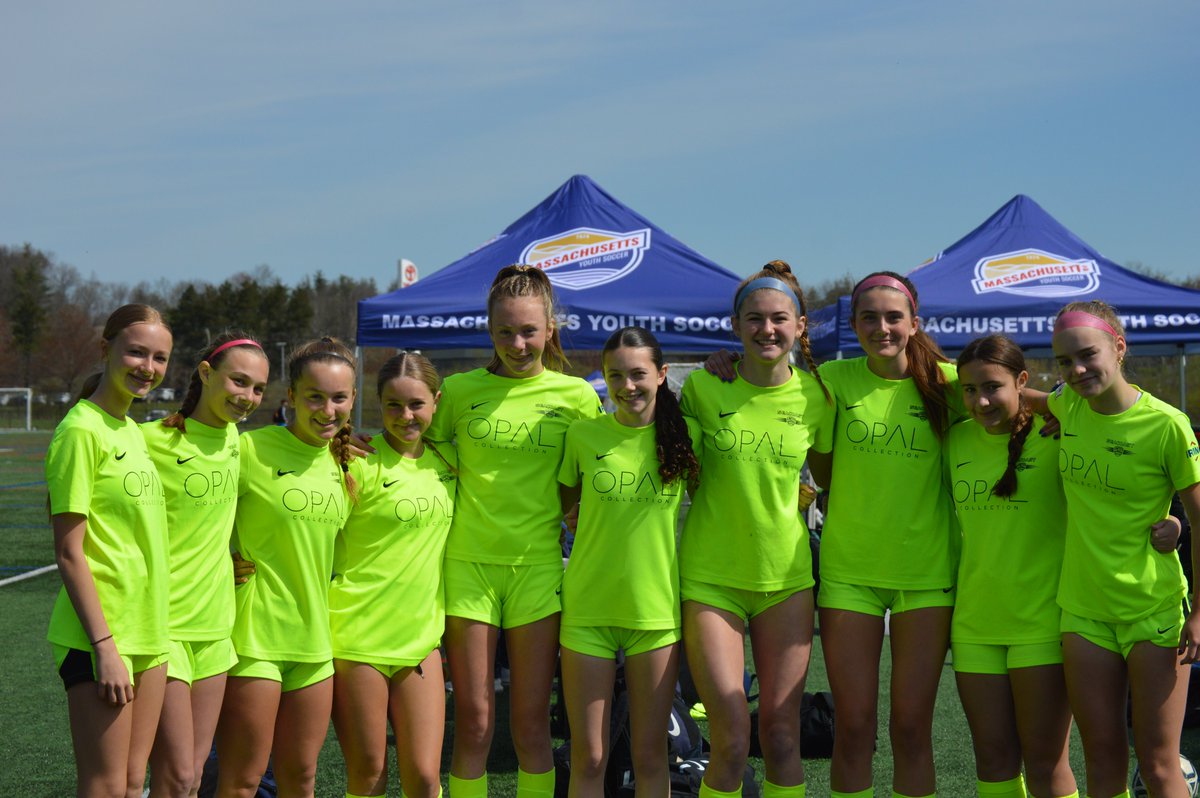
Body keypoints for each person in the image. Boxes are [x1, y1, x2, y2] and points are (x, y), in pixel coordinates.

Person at [427, 264, 602, 798]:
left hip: (538, 570)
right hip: (468, 568)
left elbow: (595, 473)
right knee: (475, 721)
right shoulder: (457, 391)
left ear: (551, 329)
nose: (517, 343)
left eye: (529, 331)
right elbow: (416, 456)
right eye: (505, 332)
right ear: (489, 330)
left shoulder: (576, 396)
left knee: (530, 725)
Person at [806, 271, 963, 798]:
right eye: (869, 317)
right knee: (852, 729)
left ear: (915, 323)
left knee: (912, 729)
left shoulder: (950, 382)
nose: (882, 327)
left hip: (926, 575)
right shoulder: (831, 379)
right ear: (852, 324)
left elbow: (1016, 400)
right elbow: (821, 472)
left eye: (894, 316)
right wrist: (721, 361)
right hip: (850, 574)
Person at [683, 261, 832, 798]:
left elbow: (834, 476)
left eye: (778, 319)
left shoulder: (819, 395)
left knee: (781, 735)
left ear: (800, 326)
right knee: (728, 735)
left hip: (787, 580)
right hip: (711, 578)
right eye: (754, 319)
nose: (766, 330)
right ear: (735, 325)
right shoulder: (702, 386)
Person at [1049, 301, 1200, 798]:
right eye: (1065, 361)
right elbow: (1010, 396)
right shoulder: (1066, 405)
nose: (1077, 370)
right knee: (1101, 758)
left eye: (1087, 355)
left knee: (1158, 765)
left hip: (1152, 611)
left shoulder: (1167, 425)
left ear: (1118, 346)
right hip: (1084, 611)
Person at [557, 326, 699, 798]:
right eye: (614, 375)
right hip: (587, 613)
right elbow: (566, 508)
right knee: (590, 756)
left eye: (638, 374)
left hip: (654, 615)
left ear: (661, 375)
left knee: (650, 756)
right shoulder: (582, 436)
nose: (627, 386)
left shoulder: (685, 436)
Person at [215, 338, 357, 798]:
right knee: (241, 781)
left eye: (339, 398)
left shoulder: (349, 465)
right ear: (291, 397)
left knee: (302, 779)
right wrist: (219, 562)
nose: (327, 410)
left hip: (316, 645)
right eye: (315, 396)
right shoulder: (248, 450)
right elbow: (192, 513)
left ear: (353, 400)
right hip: (254, 639)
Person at [46, 303, 173, 797]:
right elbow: (69, 552)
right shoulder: (81, 430)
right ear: (106, 349)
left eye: (159, 358)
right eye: (137, 352)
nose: (148, 367)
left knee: (130, 782)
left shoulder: (132, 432)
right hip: (102, 638)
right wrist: (105, 648)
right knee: (103, 786)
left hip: (149, 632)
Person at [947, 334, 1079, 798]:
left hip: (1042, 622)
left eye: (993, 387)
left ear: (1022, 381)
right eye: (969, 389)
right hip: (974, 626)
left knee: (1046, 762)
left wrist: (1051, 407)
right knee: (993, 759)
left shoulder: (1060, 433)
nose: (980, 400)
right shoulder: (955, 439)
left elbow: (1109, 406)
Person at [143, 334, 270, 798]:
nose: (247, 397)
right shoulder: (149, 440)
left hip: (218, 628)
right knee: (176, 776)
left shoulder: (242, 444)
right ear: (204, 373)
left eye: (257, 388)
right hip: (163, 628)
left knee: (192, 778)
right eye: (239, 381)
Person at [330, 352, 457, 798]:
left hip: (421, 641)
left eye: (416, 404)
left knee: (424, 778)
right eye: (393, 406)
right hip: (355, 637)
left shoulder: (450, 463)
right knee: (370, 775)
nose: (406, 416)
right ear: (377, 404)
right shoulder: (354, 462)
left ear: (436, 402)